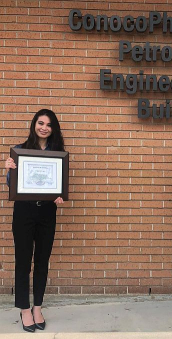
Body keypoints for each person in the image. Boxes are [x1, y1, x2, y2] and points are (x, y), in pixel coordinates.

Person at [5, 109, 65, 332]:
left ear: (53, 129)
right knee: (23, 261)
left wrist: (59, 195)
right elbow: (12, 185)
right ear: (34, 125)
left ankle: (38, 306)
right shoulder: (20, 151)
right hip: (23, 212)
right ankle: (24, 309)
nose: (44, 127)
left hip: (47, 213)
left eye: (48, 124)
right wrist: (8, 170)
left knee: (42, 261)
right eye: (40, 123)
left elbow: (59, 185)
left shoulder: (58, 153)